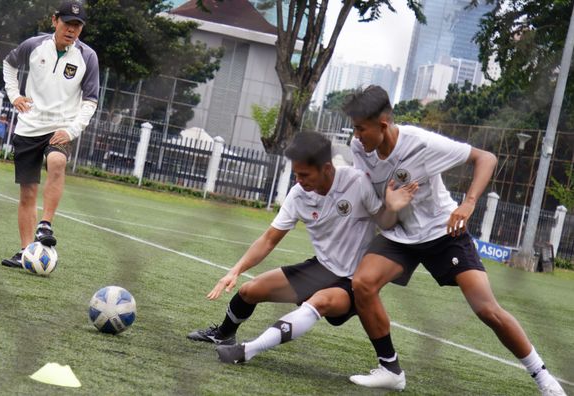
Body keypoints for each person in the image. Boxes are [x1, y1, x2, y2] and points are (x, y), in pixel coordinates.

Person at [342, 85, 565, 395]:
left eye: (360, 128)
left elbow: (485, 158)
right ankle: (390, 369)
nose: (356, 135)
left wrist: (469, 203)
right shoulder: (359, 149)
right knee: (362, 283)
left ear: (383, 124)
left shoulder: (421, 143)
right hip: (400, 235)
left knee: (487, 309)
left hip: (443, 232)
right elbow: (365, 191)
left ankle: (542, 377)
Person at [187, 132, 418, 366]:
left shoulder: (357, 183)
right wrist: (235, 270)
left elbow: (384, 224)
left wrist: (392, 208)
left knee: (318, 303)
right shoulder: (298, 195)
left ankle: (247, 350)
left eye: (305, 174)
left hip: (352, 280)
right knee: (249, 290)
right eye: (296, 174)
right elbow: (269, 239)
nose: (298, 180)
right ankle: (224, 335)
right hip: (320, 268)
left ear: (327, 168)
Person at [0, 0, 99, 268]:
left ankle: (45, 225)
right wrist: (15, 96)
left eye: (77, 26)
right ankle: (26, 253)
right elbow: (9, 65)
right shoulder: (33, 45)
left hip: (60, 129)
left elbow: (90, 101)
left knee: (57, 161)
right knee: (28, 194)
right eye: (68, 23)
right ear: (55, 21)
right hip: (28, 128)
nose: (72, 30)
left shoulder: (87, 57)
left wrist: (71, 130)